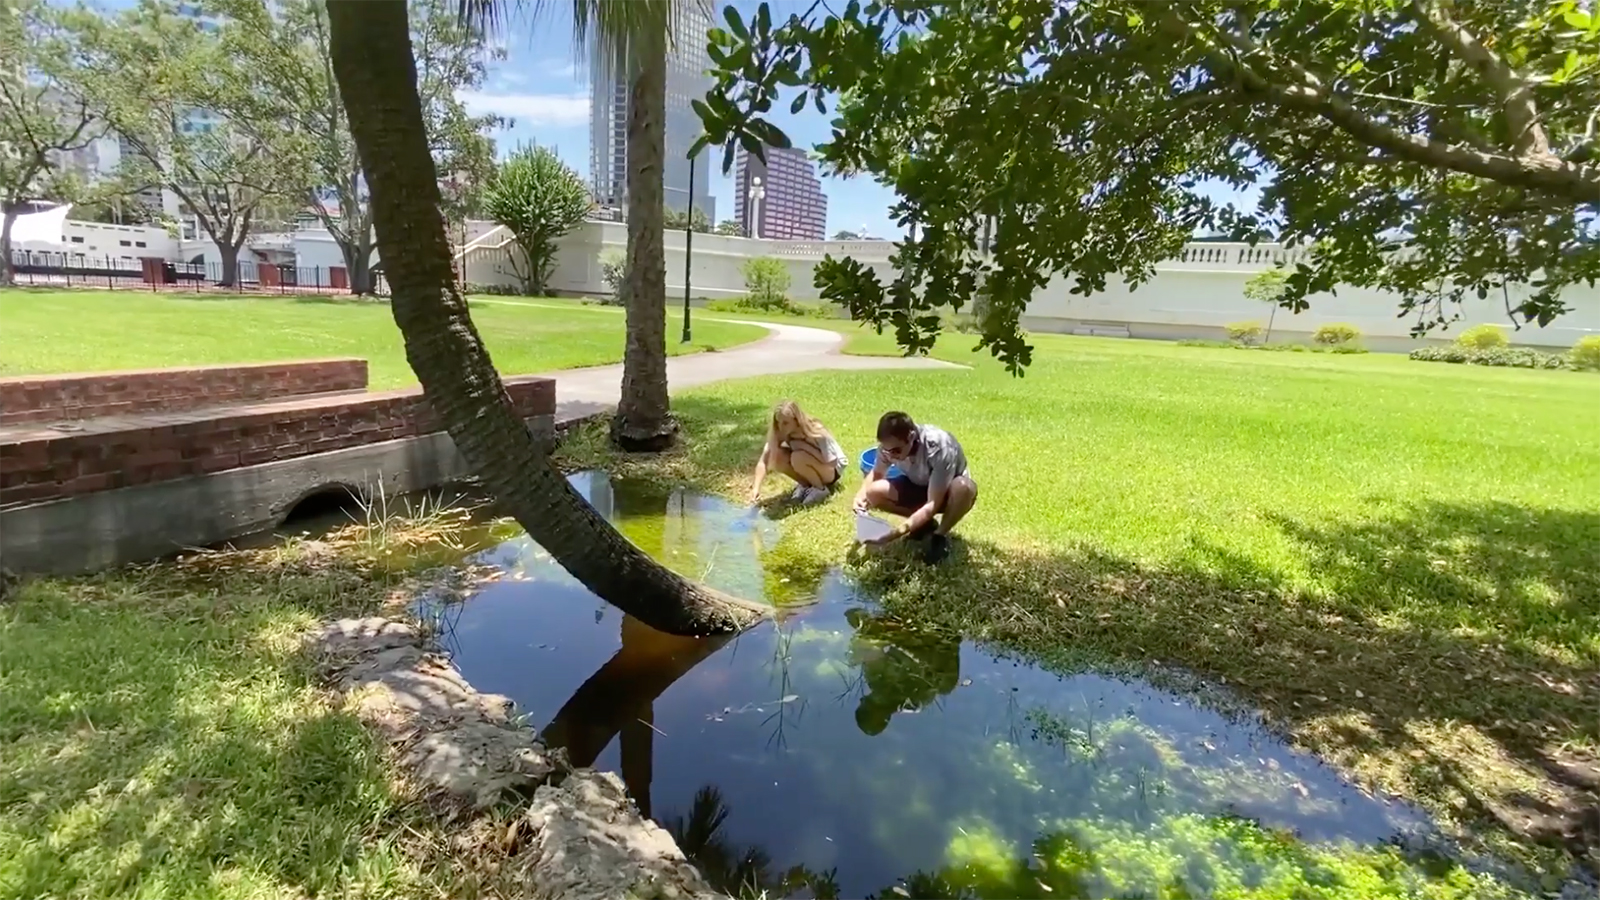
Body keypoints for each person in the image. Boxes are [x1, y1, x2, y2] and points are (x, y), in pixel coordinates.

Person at [854, 410, 978, 564]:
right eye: (887, 450)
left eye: (896, 451)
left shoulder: (938, 447)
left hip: (948, 492)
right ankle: (925, 525)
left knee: (964, 487)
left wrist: (897, 532)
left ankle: (939, 536)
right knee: (873, 492)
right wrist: (861, 495)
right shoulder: (888, 448)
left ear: (911, 437)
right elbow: (877, 473)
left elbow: (932, 504)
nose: (891, 456)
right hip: (918, 484)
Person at [749, 400, 848, 506]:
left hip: (833, 470)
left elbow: (831, 462)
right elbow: (764, 460)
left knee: (798, 457)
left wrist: (805, 447)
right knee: (776, 455)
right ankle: (805, 485)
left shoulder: (816, 430)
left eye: (786, 423)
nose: (781, 427)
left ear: (796, 420)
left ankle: (820, 489)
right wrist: (756, 488)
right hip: (815, 464)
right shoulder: (783, 432)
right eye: (778, 423)